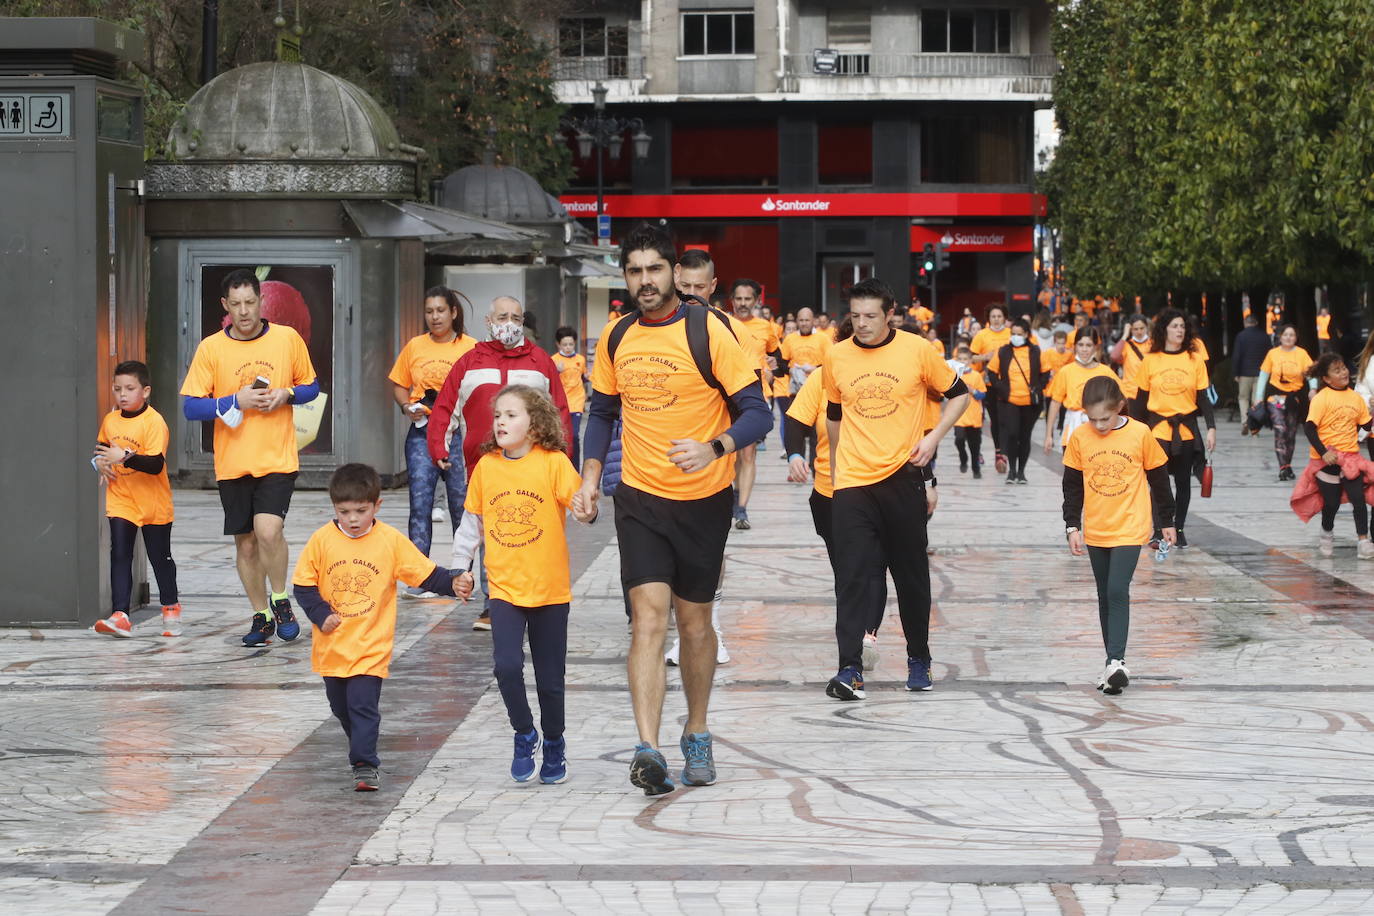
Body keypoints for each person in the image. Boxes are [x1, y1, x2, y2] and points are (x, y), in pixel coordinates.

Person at [576, 222, 771, 796]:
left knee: (694, 624)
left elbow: (758, 413)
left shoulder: (709, 330)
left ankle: (697, 729)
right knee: (649, 618)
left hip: (704, 501)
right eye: (633, 271)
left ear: (674, 275)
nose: (644, 281)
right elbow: (602, 414)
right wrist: (590, 479)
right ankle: (648, 748)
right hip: (638, 497)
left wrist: (714, 447)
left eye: (653, 269)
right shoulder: (616, 336)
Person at [822, 278, 970, 700]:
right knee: (852, 578)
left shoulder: (917, 350)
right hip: (853, 482)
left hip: (902, 477)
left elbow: (961, 396)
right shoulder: (836, 357)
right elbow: (834, 415)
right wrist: (836, 469)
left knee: (911, 578)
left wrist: (934, 437)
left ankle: (918, 657)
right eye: (855, 316)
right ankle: (850, 669)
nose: (862, 324)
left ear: (890, 314)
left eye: (871, 316)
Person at [451, 386, 594, 784]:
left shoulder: (554, 463)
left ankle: (553, 743)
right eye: (498, 415)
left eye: (511, 415)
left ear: (535, 424)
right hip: (505, 590)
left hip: (549, 591)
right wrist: (459, 568)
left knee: (551, 680)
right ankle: (524, 732)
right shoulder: (487, 466)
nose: (501, 422)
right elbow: (471, 524)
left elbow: (581, 509)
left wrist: (587, 509)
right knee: (506, 666)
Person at [292, 463, 461, 791]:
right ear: (334, 508)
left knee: (362, 705)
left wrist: (454, 583)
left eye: (361, 510)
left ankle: (365, 763)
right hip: (332, 647)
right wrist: (320, 613)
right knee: (340, 707)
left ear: (376, 506)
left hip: (371, 647)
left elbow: (425, 574)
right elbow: (303, 585)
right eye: (344, 511)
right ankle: (360, 746)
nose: (353, 519)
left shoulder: (389, 541)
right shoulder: (321, 540)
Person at [181, 268, 319, 647]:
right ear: (225, 306)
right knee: (245, 544)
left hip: (277, 457)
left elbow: (311, 387)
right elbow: (191, 408)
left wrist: (285, 395)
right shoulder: (212, 348)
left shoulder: (287, 339)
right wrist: (233, 401)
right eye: (236, 304)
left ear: (261, 301)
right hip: (233, 462)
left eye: (250, 302)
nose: (244, 312)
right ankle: (260, 615)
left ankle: (280, 599)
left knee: (268, 531)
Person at [426, 296, 573, 631]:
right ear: (489, 321)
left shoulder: (540, 362)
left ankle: (525, 597)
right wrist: (439, 447)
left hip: (534, 467)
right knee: (487, 529)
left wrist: (564, 458)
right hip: (482, 465)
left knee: (521, 529)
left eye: (516, 317)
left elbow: (560, 410)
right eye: (503, 316)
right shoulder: (469, 362)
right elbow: (447, 407)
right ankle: (496, 602)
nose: (510, 322)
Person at [1063, 376, 1175, 696]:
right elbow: (1071, 486)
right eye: (1092, 418)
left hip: (1130, 525)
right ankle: (1111, 666)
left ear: (1120, 407)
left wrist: (1167, 520)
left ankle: (1117, 660)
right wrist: (1072, 525)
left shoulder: (1140, 433)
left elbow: (1159, 478)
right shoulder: (1080, 437)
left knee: (1116, 589)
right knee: (1104, 595)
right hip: (1097, 528)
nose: (1098, 425)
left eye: (1105, 418)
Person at [388, 286, 477, 596]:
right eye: (429, 311)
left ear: (453, 312)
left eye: (440, 310)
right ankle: (421, 577)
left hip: (458, 436)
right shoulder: (415, 346)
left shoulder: (472, 348)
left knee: (461, 505)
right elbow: (400, 384)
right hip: (421, 434)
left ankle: (461, 575)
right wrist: (405, 406)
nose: (435, 316)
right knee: (420, 505)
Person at [92, 360, 181, 638]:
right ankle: (121, 615)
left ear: (146, 391)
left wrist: (125, 457)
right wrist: (99, 463)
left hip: (153, 503)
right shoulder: (110, 420)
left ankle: (170, 607)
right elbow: (100, 451)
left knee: (159, 558)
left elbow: (155, 464)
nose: (122, 394)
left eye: (130, 388)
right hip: (121, 499)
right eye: (117, 388)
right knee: (120, 554)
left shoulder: (154, 422)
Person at [1130, 308, 1215, 549]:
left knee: (1183, 482)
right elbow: (1139, 402)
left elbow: (1203, 398)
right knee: (1158, 482)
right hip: (1157, 430)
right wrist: (1134, 432)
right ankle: (1158, 530)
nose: (1180, 330)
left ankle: (1179, 527)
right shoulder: (1151, 360)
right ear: (1164, 329)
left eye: (1182, 326)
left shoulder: (1195, 359)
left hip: (1186, 429)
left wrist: (1211, 427)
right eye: (1175, 326)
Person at [1291, 353, 1374, 558]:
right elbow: (1309, 428)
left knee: (1358, 500)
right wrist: (1323, 452)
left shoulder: (1355, 398)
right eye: (1337, 370)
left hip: (1351, 458)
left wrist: (1372, 410)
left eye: (1344, 368)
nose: (1344, 372)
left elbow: (1365, 425)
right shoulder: (1321, 398)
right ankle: (1327, 533)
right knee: (1331, 503)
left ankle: (1363, 542)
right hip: (1326, 460)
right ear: (1327, 379)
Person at [728, 278, 781, 529]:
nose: (743, 304)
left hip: (755, 396)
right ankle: (732, 496)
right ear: (732, 301)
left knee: (747, 453)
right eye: (738, 299)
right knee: (727, 454)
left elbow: (778, 359)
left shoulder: (766, 327)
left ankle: (741, 509)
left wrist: (773, 368)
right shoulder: (720, 322)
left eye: (748, 299)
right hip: (725, 397)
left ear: (757, 301)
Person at [987, 317, 1045, 484]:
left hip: (1030, 403)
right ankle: (1011, 470)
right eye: (1013, 333)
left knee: (1025, 436)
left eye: (1019, 334)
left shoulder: (1036, 351)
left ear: (1026, 334)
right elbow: (991, 371)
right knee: (1012, 434)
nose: (1015, 337)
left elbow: (1045, 372)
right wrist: (1000, 387)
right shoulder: (1003, 351)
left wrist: (1038, 387)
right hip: (1009, 401)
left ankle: (1021, 472)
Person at [1254, 324, 1314, 481]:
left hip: (1294, 399)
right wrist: (1259, 397)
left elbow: (1311, 374)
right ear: (1280, 337)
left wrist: (1313, 389)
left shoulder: (1302, 354)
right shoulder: (1272, 354)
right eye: (1285, 335)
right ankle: (1283, 467)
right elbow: (1263, 376)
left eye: (1292, 335)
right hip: (1275, 398)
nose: (1288, 337)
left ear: (1296, 337)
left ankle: (1287, 465)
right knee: (1280, 430)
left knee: (1291, 434)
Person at [1044, 328, 1116, 453]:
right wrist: (1048, 435)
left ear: (1095, 347)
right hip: (1073, 427)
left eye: (1088, 345)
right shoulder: (1066, 371)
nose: (1084, 349)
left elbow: (1118, 402)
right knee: (1072, 471)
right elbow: (1055, 402)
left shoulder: (1106, 372)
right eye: (1080, 345)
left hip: (1100, 430)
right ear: (1074, 346)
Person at [969, 304, 1012, 472]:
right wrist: (985, 356)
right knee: (995, 418)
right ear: (989, 318)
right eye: (993, 316)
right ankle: (999, 452)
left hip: (1009, 383)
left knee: (1007, 419)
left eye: (999, 316)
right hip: (988, 383)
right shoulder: (981, 335)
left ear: (1005, 317)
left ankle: (1006, 451)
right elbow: (971, 357)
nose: (996, 319)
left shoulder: (1010, 334)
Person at [553, 326, 589, 467]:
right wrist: (557, 371)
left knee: (574, 436)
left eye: (571, 344)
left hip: (576, 403)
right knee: (561, 436)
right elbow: (549, 382)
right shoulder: (554, 360)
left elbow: (583, 377)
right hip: (560, 404)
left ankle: (575, 468)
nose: (568, 347)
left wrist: (588, 377)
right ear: (558, 344)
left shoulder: (580, 359)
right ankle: (563, 466)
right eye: (564, 344)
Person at [948, 344, 986, 477]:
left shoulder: (976, 375)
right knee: (959, 440)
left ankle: (976, 468)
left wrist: (972, 390)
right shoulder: (953, 376)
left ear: (970, 361)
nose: (962, 362)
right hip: (959, 416)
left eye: (965, 359)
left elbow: (982, 394)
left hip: (974, 416)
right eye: (960, 359)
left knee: (974, 445)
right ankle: (963, 458)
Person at [1231, 313, 1269, 430]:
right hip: (1261, 373)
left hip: (1244, 373)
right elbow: (1269, 355)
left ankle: (1245, 421)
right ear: (1256, 323)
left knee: (1243, 398)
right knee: (1256, 399)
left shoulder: (1241, 336)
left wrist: (1235, 373)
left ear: (1245, 323)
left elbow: (1237, 355)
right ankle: (1255, 425)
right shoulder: (1264, 336)